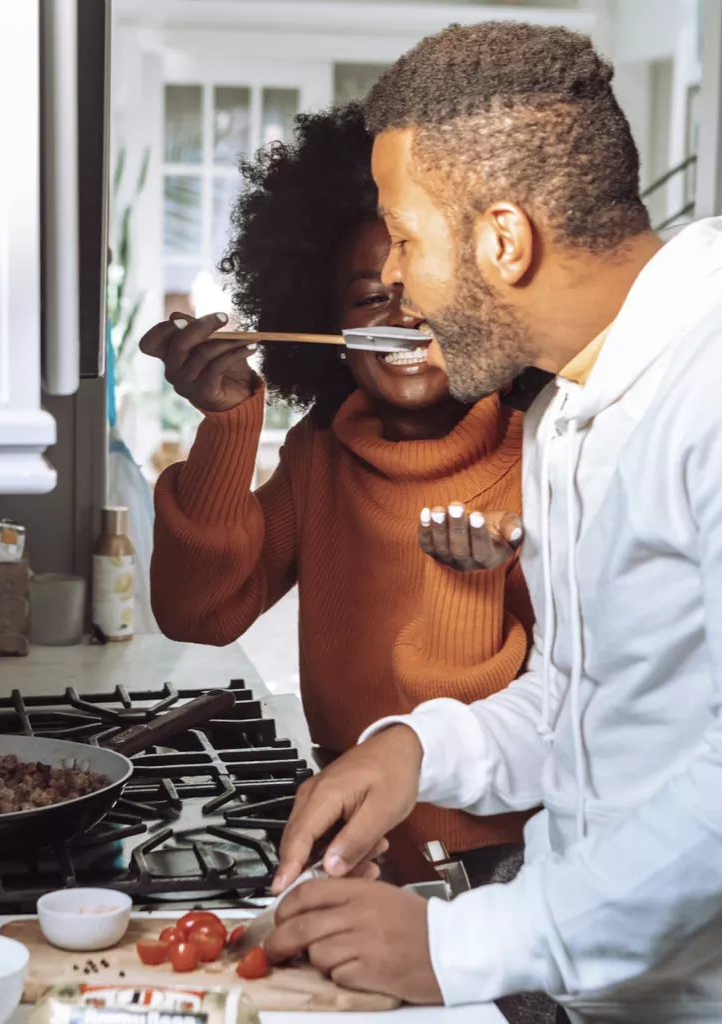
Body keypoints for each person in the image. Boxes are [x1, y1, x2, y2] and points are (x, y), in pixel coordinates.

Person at [266, 22, 722, 1024]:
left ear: (503, 240)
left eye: (407, 238)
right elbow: (586, 696)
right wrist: (413, 751)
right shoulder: (570, 407)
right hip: (600, 992)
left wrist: (461, 944)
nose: (392, 283)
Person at [140, 104, 550, 904]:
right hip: (351, 849)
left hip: (503, 871)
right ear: (321, 322)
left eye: (434, 288)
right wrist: (226, 427)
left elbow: (532, 723)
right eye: (371, 298)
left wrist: (467, 589)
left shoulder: (549, 461)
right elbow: (199, 614)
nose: (405, 319)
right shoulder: (321, 456)